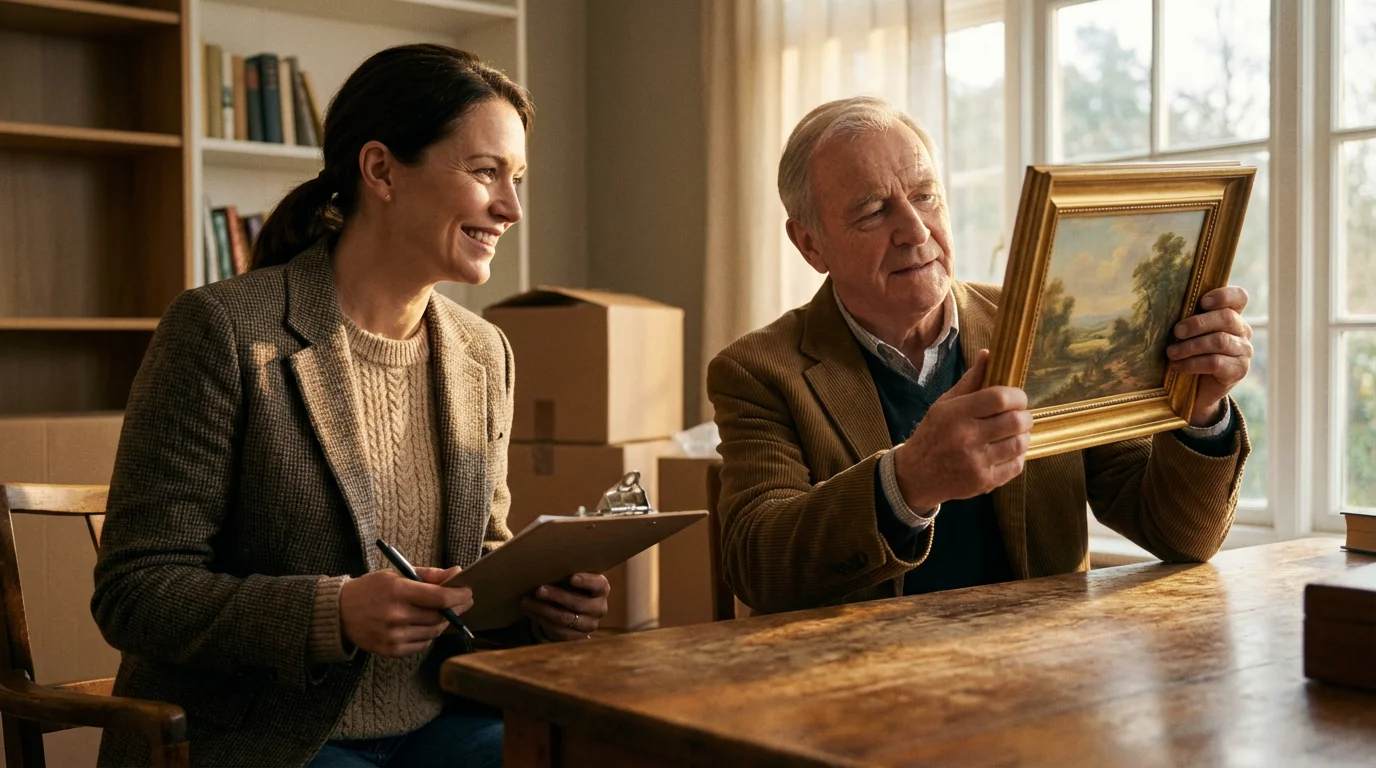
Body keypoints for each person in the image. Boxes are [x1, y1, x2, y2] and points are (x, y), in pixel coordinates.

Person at [91, 44, 609, 768]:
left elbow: (478, 559)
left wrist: (537, 604)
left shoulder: (483, 351)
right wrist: (330, 613)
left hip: (440, 720)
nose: (512, 208)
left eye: (517, 178)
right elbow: (135, 592)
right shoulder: (224, 330)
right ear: (381, 170)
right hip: (264, 736)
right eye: (486, 171)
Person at [707, 96, 1253, 615]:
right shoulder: (758, 371)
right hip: (865, 689)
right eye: (874, 211)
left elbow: (1183, 537)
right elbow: (759, 566)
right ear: (810, 244)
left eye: (926, 195)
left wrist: (1200, 415)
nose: (916, 230)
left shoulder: (1043, 326)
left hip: (1042, 678)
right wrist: (909, 481)